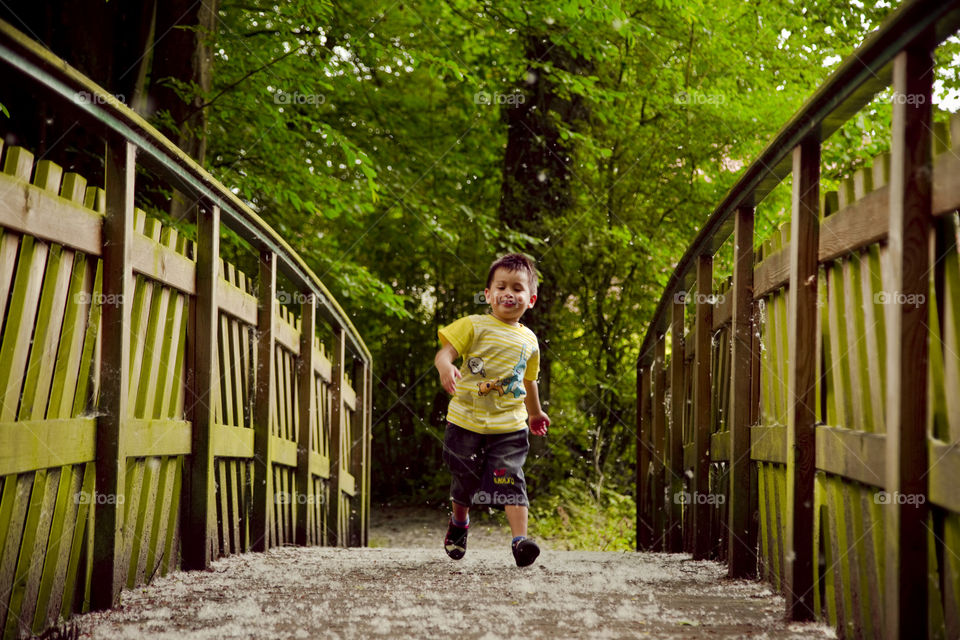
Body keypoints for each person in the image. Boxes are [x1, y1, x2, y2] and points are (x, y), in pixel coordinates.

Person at [434, 253, 550, 567]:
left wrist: (536, 413)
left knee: (510, 477)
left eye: (518, 288)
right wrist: (446, 367)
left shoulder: (529, 340)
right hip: (465, 421)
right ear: (488, 294)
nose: (509, 293)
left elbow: (529, 381)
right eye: (501, 286)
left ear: (531, 299)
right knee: (465, 479)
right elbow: (445, 354)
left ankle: (519, 542)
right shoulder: (473, 325)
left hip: (509, 425)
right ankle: (459, 522)